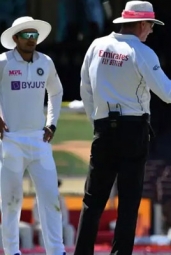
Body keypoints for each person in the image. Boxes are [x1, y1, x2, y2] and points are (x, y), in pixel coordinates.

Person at [74, 1, 171, 255]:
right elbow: (168, 93)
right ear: (142, 24)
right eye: (151, 26)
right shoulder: (143, 53)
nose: (151, 32)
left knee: (92, 201)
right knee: (128, 202)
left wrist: (98, 122)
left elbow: (85, 89)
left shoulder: (96, 45)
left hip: (103, 129)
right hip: (132, 130)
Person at [0, 16, 66, 255]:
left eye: (34, 35)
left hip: (40, 141)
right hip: (11, 141)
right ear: (15, 38)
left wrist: (52, 124)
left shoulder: (45, 62)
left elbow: (56, 92)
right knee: (11, 202)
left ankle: (57, 251)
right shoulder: (3, 62)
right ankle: (11, 251)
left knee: (50, 200)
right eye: (26, 35)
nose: (31, 40)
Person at [33, 179, 76, 247]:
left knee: (69, 229)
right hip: (43, 224)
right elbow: (36, 217)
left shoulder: (61, 199)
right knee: (43, 230)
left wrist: (60, 224)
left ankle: (69, 250)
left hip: (59, 224)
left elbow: (65, 216)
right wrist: (47, 224)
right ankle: (44, 250)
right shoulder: (39, 198)